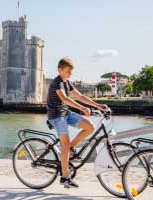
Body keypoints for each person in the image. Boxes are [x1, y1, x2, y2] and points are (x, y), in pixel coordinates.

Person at [47, 57, 109, 188]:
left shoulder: (67, 82)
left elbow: (80, 96)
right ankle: (65, 177)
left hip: (66, 113)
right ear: (60, 70)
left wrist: (98, 106)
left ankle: (70, 148)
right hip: (57, 116)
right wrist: (81, 108)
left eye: (71, 71)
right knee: (65, 145)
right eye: (68, 71)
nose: (70, 73)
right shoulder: (56, 83)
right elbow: (64, 99)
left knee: (89, 127)